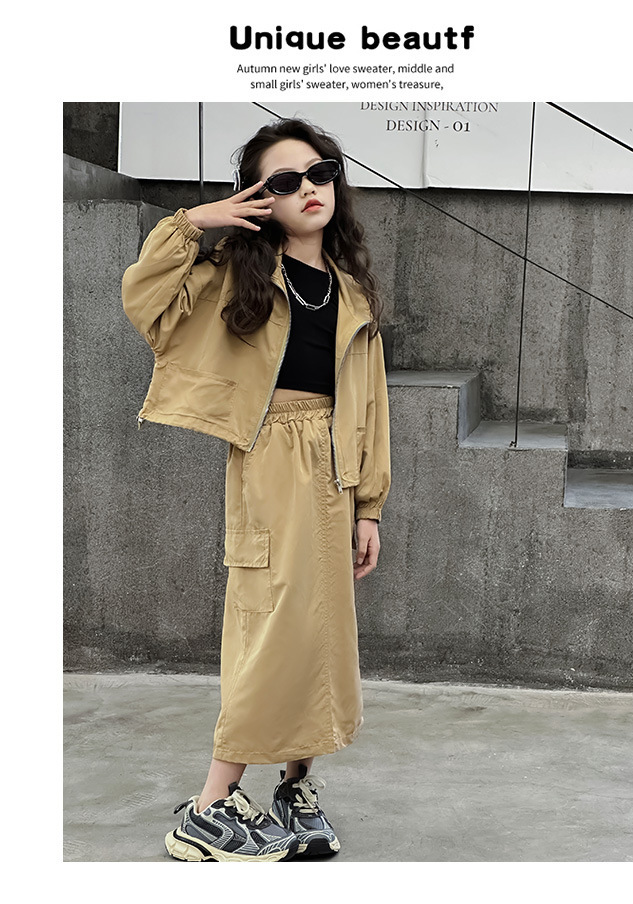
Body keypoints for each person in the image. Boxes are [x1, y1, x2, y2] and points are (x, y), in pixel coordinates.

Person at [121, 117, 391, 862]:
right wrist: (193, 222)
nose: (309, 189)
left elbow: (371, 405)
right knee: (271, 630)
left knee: (321, 634)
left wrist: (369, 505)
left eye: (321, 173)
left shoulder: (352, 293)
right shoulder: (235, 278)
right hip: (270, 461)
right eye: (286, 181)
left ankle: (294, 788)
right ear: (260, 198)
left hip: (336, 470)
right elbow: (144, 300)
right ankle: (208, 807)